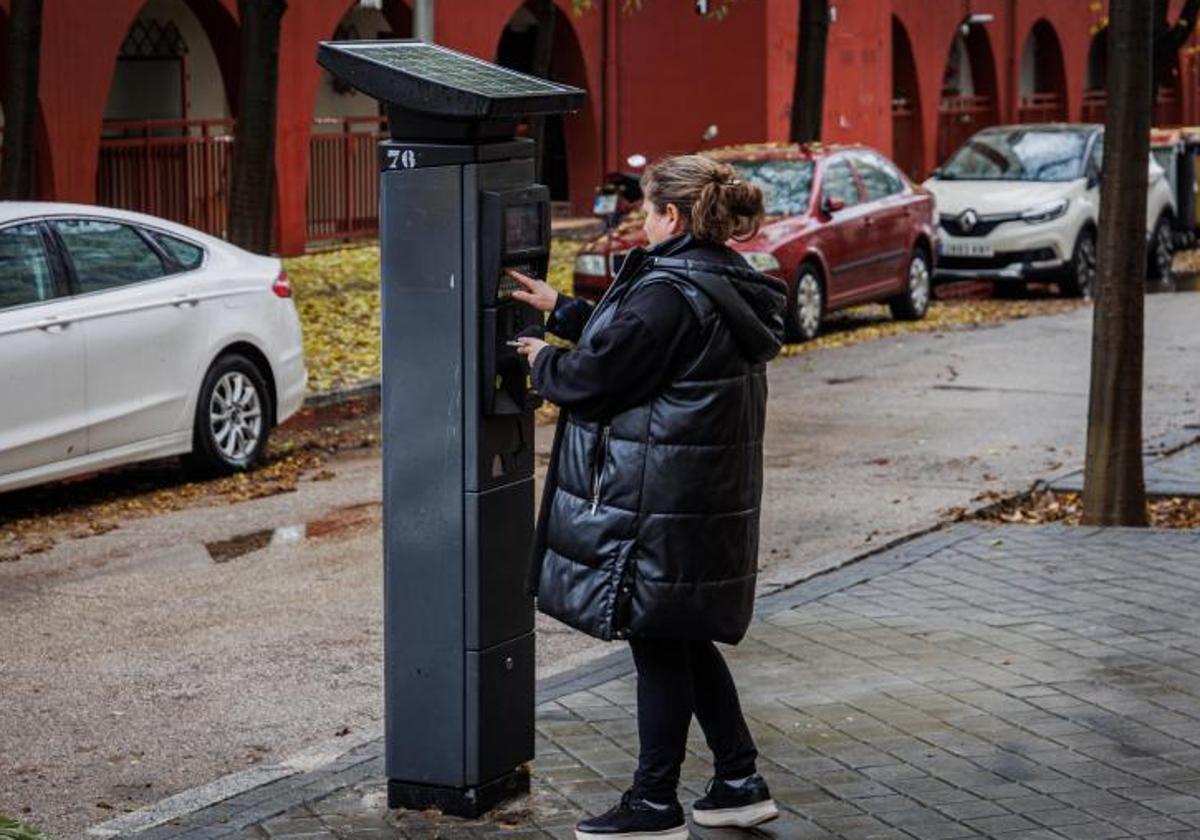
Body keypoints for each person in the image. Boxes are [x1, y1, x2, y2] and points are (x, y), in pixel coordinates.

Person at [509, 154, 787, 839]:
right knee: (683, 635)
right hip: (698, 497)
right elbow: (640, 346)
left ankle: (654, 803)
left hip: (659, 499)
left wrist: (544, 360)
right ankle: (738, 780)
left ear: (674, 215)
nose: (641, 218)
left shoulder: (669, 289)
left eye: (648, 208)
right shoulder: (723, 277)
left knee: (657, 638)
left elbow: (603, 377)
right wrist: (564, 310)